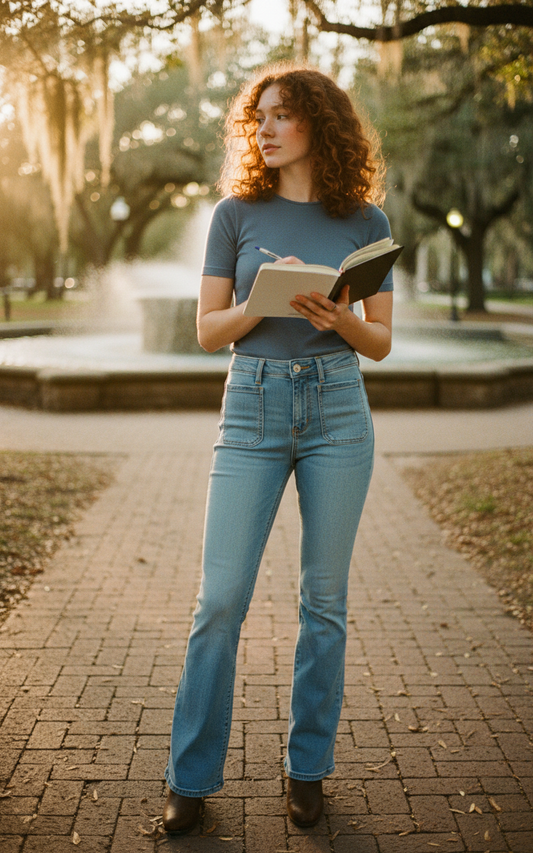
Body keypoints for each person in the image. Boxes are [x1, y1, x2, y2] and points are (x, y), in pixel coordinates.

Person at [163, 62, 394, 835]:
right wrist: (261, 302)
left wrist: (340, 320)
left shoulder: (365, 221)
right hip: (252, 406)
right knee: (218, 601)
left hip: (336, 406)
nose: (263, 127)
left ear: (317, 125)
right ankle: (189, 780)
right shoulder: (234, 213)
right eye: (256, 115)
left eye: (281, 113)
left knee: (322, 603)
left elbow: (381, 342)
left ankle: (307, 772)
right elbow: (206, 331)